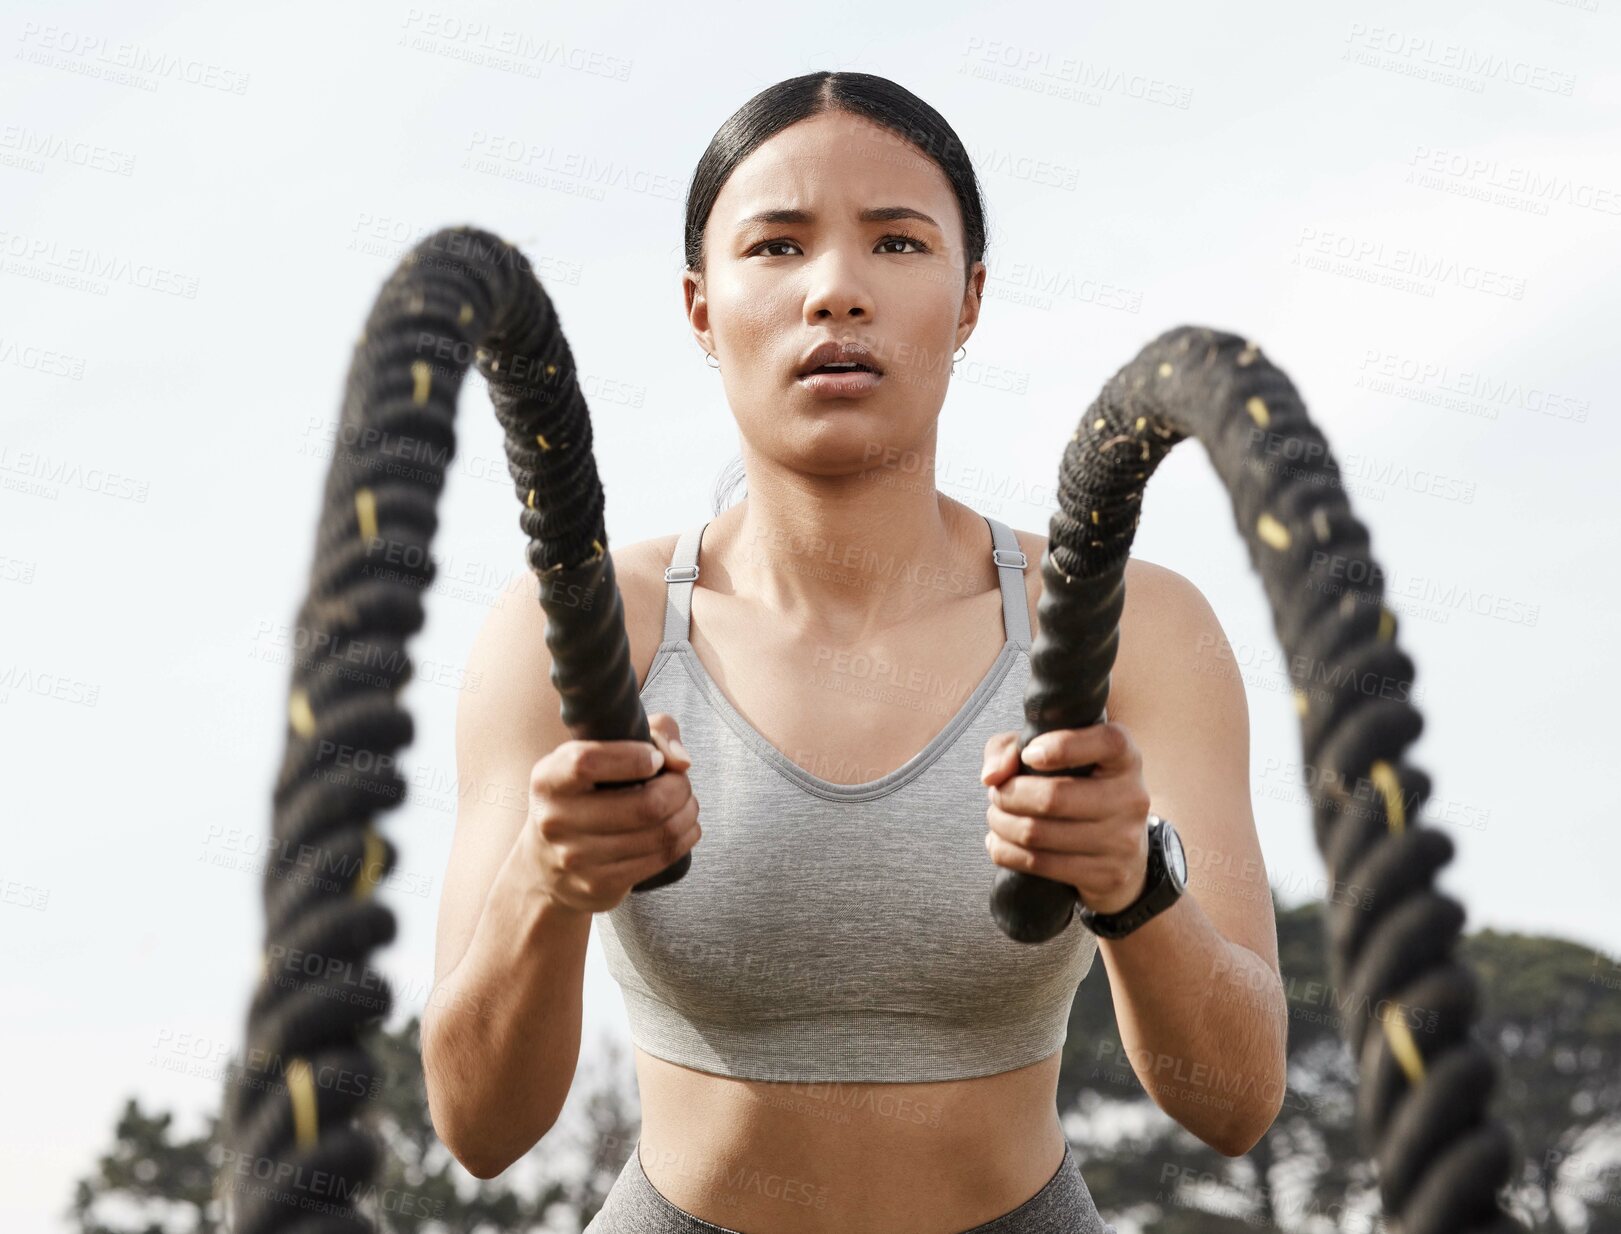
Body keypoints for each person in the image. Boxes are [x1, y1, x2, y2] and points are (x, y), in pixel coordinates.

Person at [423, 70, 1287, 1234]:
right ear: (700, 308)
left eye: (895, 241)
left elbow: (1236, 1101)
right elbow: (478, 1125)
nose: (835, 290)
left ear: (969, 297)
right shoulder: (573, 626)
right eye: (776, 247)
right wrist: (548, 876)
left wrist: (1135, 882)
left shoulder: (1144, 623)